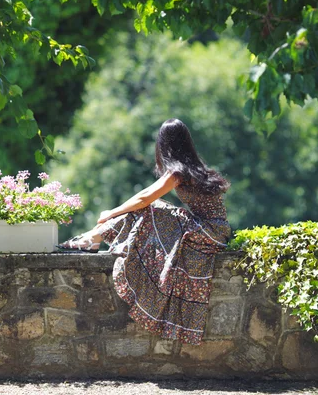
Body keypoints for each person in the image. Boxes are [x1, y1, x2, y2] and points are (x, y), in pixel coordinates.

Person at [58, 118, 231, 345]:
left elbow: (145, 198)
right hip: (214, 230)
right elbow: (143, 197)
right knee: (147, 210)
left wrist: (110, 213)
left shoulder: (178, 172)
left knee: (151, 208)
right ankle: (92, 238)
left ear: (165, 145)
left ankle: (91, 238)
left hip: (209, 232)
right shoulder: (193, 169)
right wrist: (115, 212)